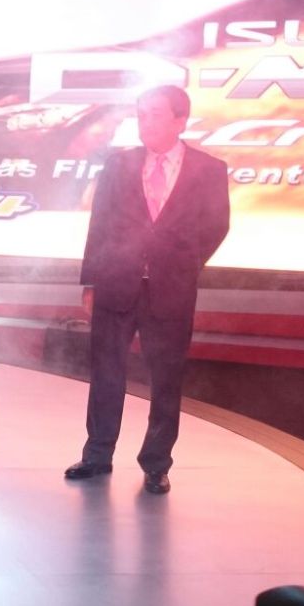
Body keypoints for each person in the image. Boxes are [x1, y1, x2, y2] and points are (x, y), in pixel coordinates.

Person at [65, 85, 230, 494]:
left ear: (180, 120)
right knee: (106, 373)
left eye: (155, 114)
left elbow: (216, 226)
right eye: (141, 114)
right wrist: (91, 280)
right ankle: (97, 454)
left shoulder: (209, 169)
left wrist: (181, 263)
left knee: (166, 379)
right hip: (116, 283)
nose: (146, 122)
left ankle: (156, 463)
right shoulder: (119, 163)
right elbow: (100, 223)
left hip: (171, 289)